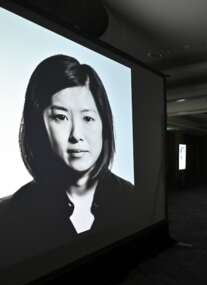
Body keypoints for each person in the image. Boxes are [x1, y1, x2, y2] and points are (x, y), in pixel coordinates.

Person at [0, 54, 134, 267]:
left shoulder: (132, 198)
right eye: (61, 117)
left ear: (104, 125)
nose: (76, 134)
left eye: (88, 118)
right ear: (39, 125)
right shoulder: (10, 216)